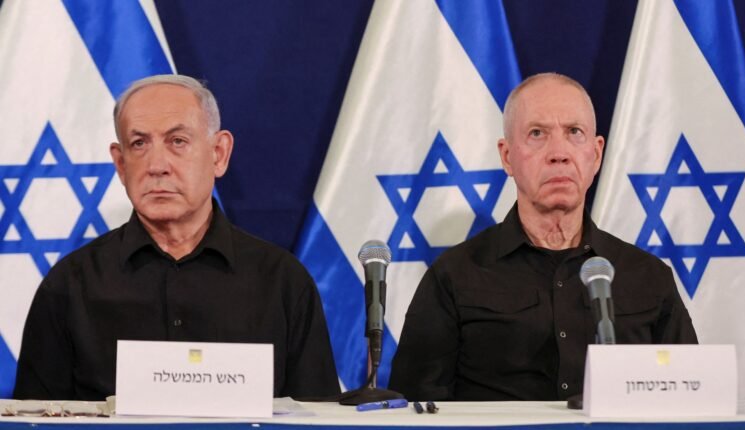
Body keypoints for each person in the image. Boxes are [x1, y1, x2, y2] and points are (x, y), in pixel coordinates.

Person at [13, 74, 340, 400]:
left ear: (219, 153)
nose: (157, 165)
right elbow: (34, 419)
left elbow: (319, 417)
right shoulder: (69, 286)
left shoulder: (282, 282)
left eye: (178, 141)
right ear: (121, 164)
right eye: (139, 144)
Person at [388, 73, 697, 401]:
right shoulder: (454, 276)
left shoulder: (649, 277)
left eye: (574, 132)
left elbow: (691, 399)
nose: (559, 153)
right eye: (537, 133)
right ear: (507, 156)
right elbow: (415, 408)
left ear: (596, 155)